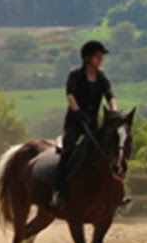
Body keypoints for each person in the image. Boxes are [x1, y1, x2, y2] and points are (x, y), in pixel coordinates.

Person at [50, 40, 118, 208]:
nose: (101, 60)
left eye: (101, 57)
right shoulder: (75, 76)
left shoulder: (101, 78)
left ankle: (114, 192)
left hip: (93, 123)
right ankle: (58, 191)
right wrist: (77, 111)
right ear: (88, 58)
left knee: (107, 153)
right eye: (98, 56)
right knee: (68, 151)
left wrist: (114, 111)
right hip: (75, 122)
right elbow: (70, 95)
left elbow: (110, 96)